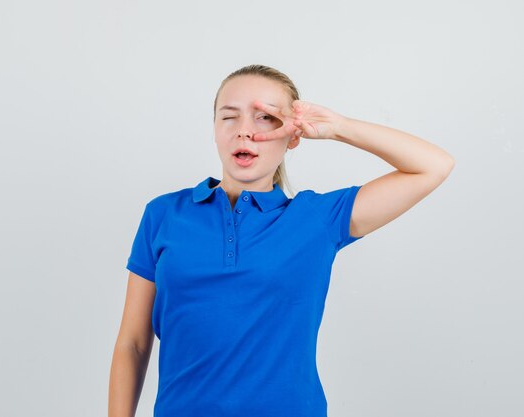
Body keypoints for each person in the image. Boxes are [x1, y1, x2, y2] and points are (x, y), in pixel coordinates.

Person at [108, 64, 455, 417]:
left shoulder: (316, 219)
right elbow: (134, 344)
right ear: (214, 129)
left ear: (293, 136)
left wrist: (339, 128)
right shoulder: (164, 214)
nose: (244, 131)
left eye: (265, 118)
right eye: (230, 117)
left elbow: (433, 166)